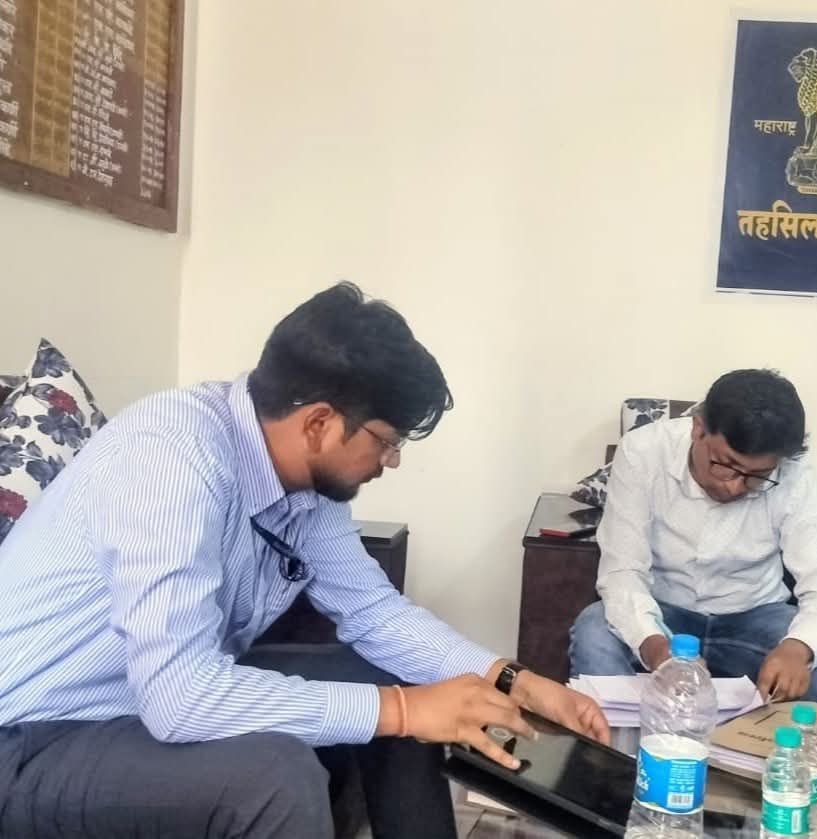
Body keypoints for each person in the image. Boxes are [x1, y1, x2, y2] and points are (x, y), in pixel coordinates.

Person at [0, 283, 608, 839]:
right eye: (387, 441)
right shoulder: (172, 459)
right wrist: (401, 713)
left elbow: (376, 615)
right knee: (275, 777)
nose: (392, 460)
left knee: (402, 681)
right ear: (319, 422)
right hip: (34, 734)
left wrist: (517, 681)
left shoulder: (302, 485)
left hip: (135, 700)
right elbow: (180, 698)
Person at [570, 369, 817, 705]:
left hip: (755, 617)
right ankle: (610, 741)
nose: (735, 487)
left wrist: (798, 648)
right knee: (594, 632)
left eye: (758, 476)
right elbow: (622, 572)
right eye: (725, 465)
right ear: (698, 428)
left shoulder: (797, 476)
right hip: (662, 611)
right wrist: (655, 647)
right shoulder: (643, 452)